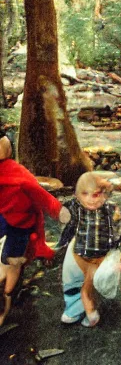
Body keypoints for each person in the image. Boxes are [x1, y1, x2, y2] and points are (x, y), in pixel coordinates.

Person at [0, 132, 67, 326]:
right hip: (11, 221)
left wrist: (57, 209)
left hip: (18, 223)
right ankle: (9, 291)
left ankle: (8, 295)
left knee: (11, 263)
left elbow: (38, 193)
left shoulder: (15, 172)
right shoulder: (15, 171)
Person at [58, 172, 121, 327]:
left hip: (99, 256)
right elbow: (62, 211)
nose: (90, 200)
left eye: (96, 195)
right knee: (73, 281)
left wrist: (116, 254)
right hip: (80, 252)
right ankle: (74, 310)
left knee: (88, 288)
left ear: (104, 195)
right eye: (84, 194)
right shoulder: (77, 207)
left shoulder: (109, 209)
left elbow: (115, 231)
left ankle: (92, 313)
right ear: (77, 195)